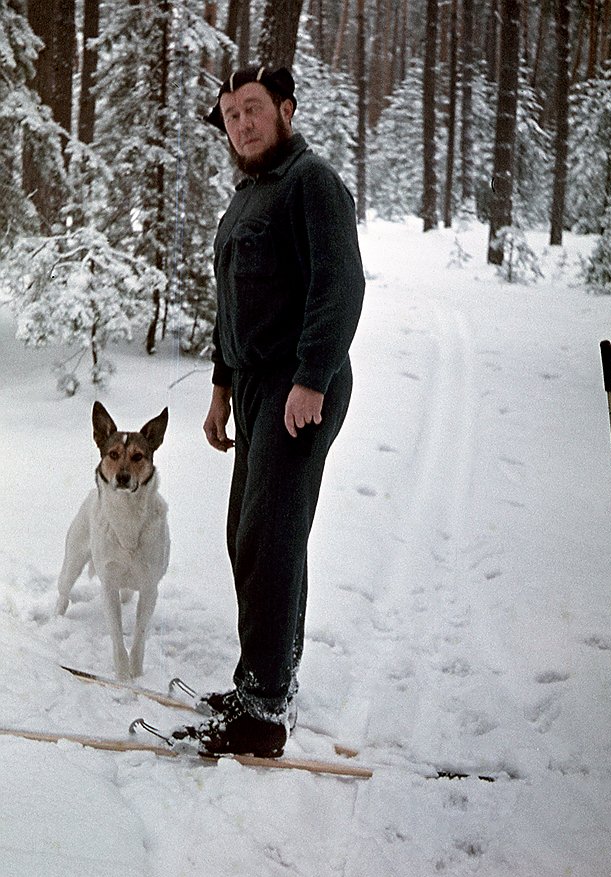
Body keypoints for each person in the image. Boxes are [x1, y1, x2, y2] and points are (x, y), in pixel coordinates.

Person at [173, 65, 365, 758]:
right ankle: (268, 679)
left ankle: (261, 710)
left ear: (285, 110)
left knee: (270, 537)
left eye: (253, 109)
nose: (242, 124)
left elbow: (339, 283)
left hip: (298, 384)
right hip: (254, 387)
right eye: (230, 115)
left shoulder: (310, 183)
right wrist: (222, 388)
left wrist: (312, 377)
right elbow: (233, 305)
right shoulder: (248, 196)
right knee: (249, 534)